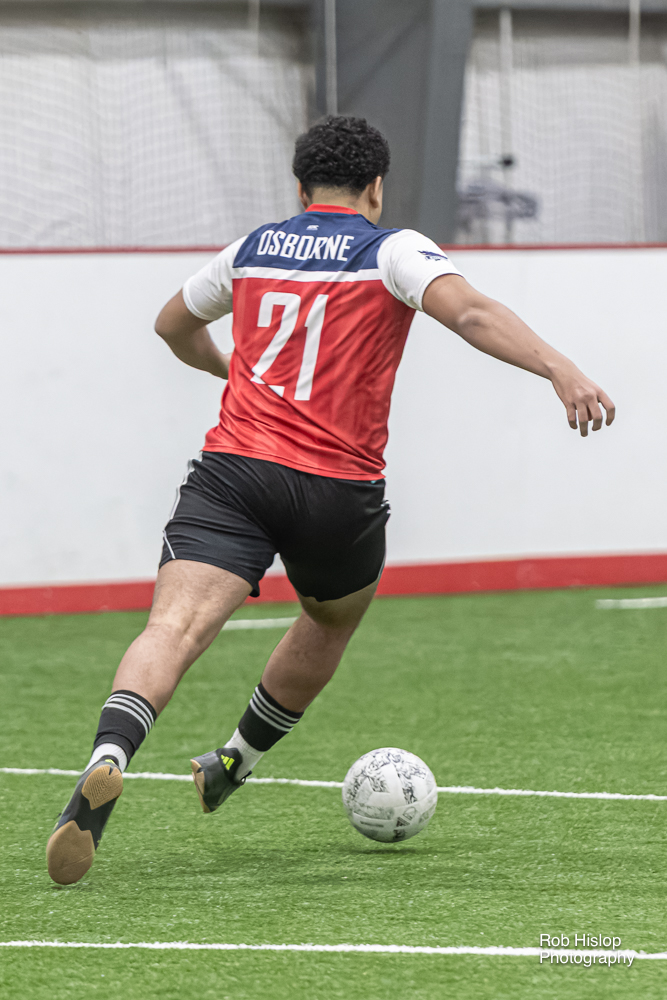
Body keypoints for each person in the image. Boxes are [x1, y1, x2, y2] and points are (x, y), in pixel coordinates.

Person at [46, 116, 615, 885]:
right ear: (375, 186)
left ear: (298, 187)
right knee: (329, 619)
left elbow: (171, 324)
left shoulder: (252, 249)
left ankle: (111, 753)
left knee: (172, 628)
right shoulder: (392, 249)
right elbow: (471, 313)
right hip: (336, 490)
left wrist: (231, 373)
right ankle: (234, 760)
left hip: (234, 471)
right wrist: (558, 368)